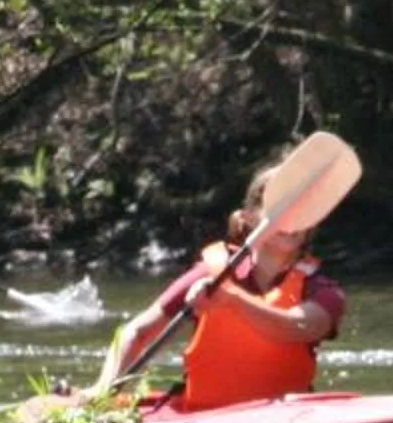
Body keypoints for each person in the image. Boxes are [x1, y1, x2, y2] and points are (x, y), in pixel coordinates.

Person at [92, 158, 347, 409]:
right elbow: (137, 332)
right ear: (248, 218)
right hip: (204, 415)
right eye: (279, 206)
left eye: (300, 209)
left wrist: (232, 299)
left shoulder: (322, 289)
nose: (291, 218)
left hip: (285, 420)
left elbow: (298, 327)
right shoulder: (211, 274)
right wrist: (103, 390)